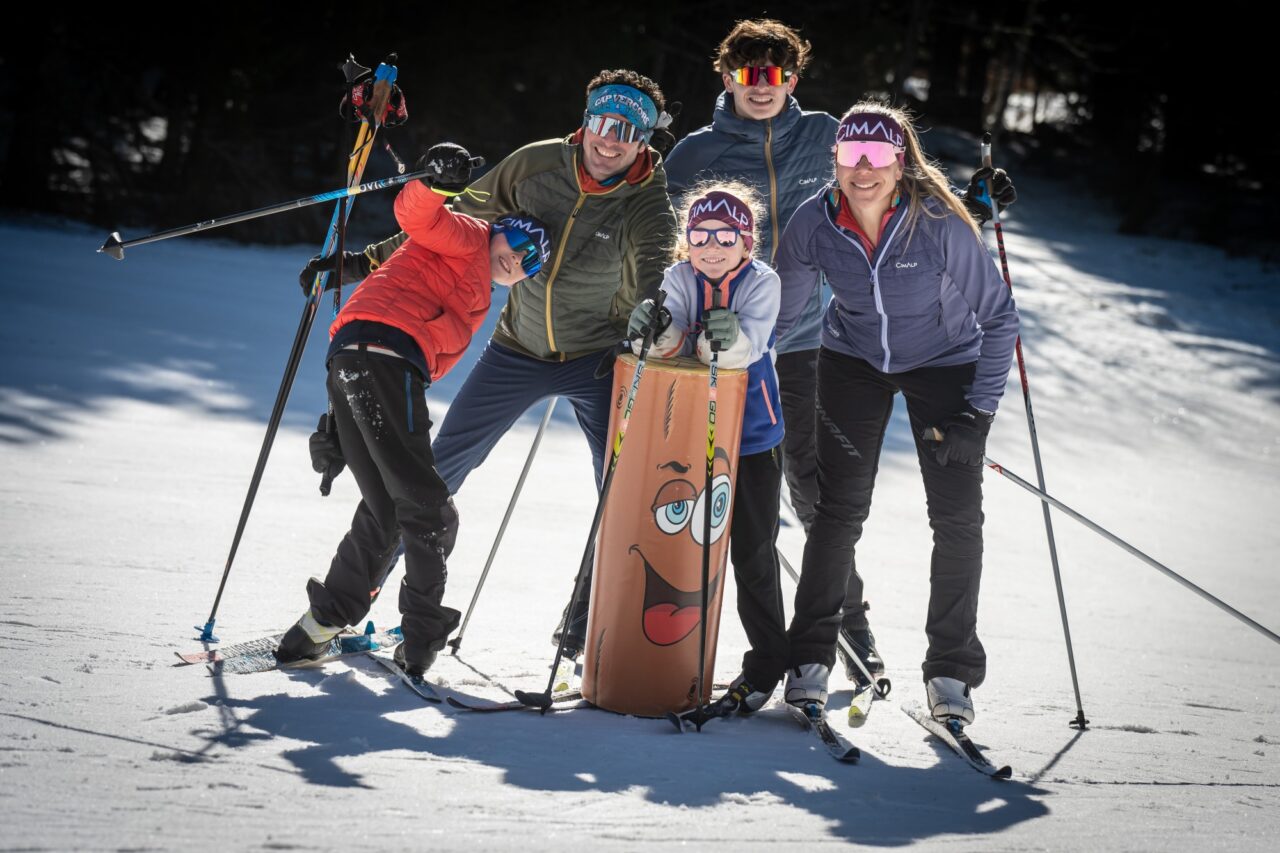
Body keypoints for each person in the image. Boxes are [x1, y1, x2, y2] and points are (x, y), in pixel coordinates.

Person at [664, 19, 1017, 685]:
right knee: (719, 484)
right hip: (753, 342)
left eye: (776, 74)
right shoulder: (697, 155)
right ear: (726, 75)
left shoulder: (831, 133)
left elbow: (905, 181)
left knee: (828, 490)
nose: (761, 87)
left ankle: (887, 642)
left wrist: (975, 203)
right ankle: (798, 645)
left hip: (848, 348)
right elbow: (664, 233)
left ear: (794, 79)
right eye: (748, 73)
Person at [302, 70, 678, 659]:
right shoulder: (536, 164)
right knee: (426, 477)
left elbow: (655, 267)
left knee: (624, 489)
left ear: (645, 141)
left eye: (629, 131)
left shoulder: (648, 200)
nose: (612, 140)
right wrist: (368, 261)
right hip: (517, 350)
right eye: (605, 123)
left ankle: (586, 624)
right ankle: (337, 608)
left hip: (600, 359)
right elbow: (456, 218)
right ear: (587, 122)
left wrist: (655, 310)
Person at [773, 103, 1020, 725]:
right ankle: (809, 659)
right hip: (853, 359)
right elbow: (776, 319)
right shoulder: (813, 222)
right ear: (834, 159)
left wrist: (979, 417)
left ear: (900, 162)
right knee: (838, 510)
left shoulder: (937, 221)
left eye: (878, 157)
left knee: (957, 518)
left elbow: (999, 319)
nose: (863, 170)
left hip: (945, 364)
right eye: (851, 155)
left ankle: (951, 673)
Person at [275, 143, 553, 678]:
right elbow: (418, 215)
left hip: (359, 360)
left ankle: (316, 627)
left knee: (388, 512)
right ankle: (422, 640)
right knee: (430, 512)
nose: (518, 258)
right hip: (383, 354)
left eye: (530, 261)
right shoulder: (470, 240)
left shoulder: (478, 294)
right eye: (517, 241)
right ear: (497, 230)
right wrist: (440, 183)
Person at [628, 182, 786, 713]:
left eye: (726, 236)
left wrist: (727, 340)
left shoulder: (763, 282)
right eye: (700, 235)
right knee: (680, 541)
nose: (712, 246)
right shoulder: (679, 276)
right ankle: (665, 655)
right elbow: (667, 338)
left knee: (751, 551)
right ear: (686, 240)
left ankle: (767, 662)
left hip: (753, 436)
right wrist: (652, 332)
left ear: (747, 242)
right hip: (693, 435)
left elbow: (751, 347)